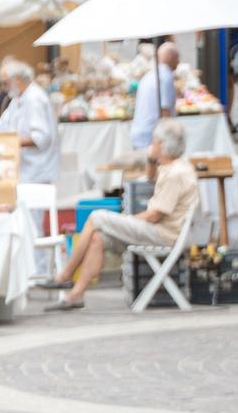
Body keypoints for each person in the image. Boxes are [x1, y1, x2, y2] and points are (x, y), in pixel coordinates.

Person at [35, 120, 200, 311]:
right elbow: (150, 178)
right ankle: (75, 295)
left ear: (162, 145)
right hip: (161, 231)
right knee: (98, 238)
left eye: (154, 141)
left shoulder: (175, 174)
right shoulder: (175, 167)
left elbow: (155, 216)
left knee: (97, 217)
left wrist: (128, 220)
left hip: (162, 234)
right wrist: (150, 159)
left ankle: (65, 275)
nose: (151, 145)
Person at [0, 58, 59, 187]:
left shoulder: (35, 99)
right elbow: (0, 126)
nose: (3, 87)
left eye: (5, 82)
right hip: (23, 170)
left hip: (36, 172)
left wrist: (13, 142)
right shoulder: (17, 99)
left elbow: (42, 136)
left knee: (31, 206)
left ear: (17, 80)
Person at [130, 40, 180, 152]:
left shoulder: (149, 75)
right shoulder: (166, 76)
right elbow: (165, 110)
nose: (179, 61)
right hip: (151, 136)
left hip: (139, 134)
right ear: (170, 58)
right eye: (177, 57)